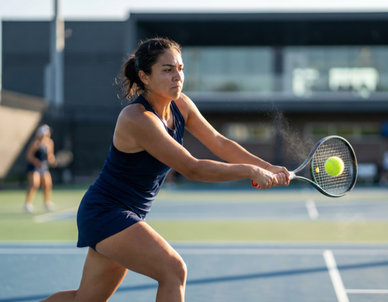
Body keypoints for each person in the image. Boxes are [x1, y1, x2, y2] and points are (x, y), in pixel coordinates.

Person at [42, 37, 290, 302]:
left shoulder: (181, 105)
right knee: (173, 271)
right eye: (167, 69)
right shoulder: (138, 118)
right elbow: (192, 168)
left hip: (125, 213)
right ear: (144, 77)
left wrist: (266, 166)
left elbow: (219, 142)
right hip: (106, 212)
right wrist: (250, 171)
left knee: (86, 299)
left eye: (180, 68)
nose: (177, 76)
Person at [24, 124, 56, 213]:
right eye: (45, 133)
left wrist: (52, 160)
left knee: (47, 184)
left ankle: (47, 203)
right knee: (34, 184)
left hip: (44, 167)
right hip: (34, 167)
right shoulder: (35, 143)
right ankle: (28, 204)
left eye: (47, 133)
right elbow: (29, 156)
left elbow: (50, 155)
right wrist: (37, 162)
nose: (47, 134)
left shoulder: (50, 142)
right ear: (40, 134)